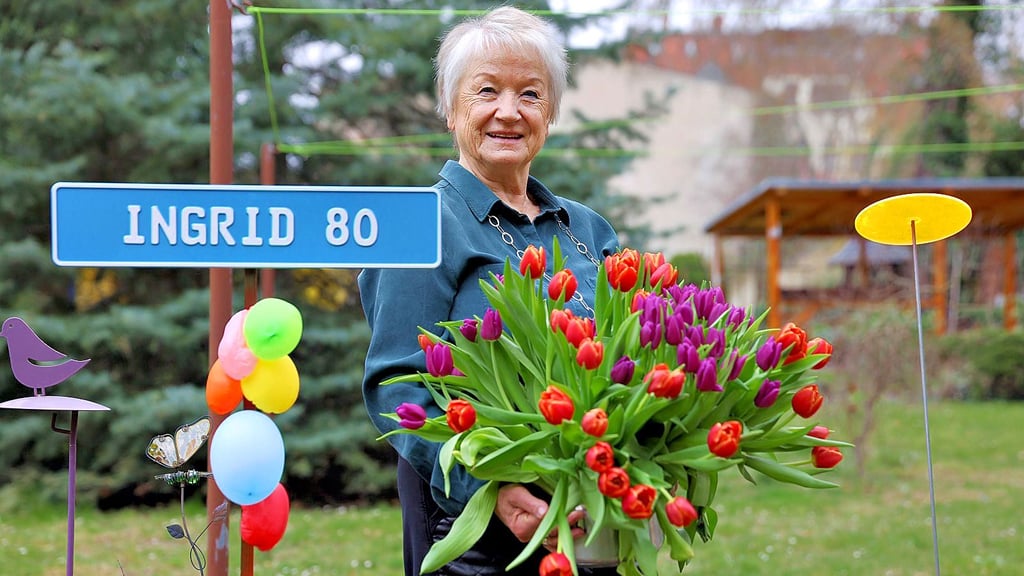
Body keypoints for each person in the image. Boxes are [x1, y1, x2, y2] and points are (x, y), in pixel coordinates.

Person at [359, 7, 620, 575]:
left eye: (530, 93)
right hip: (474, 531)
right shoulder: (423, 223)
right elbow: (394, 387)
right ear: (451, 110)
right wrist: (490, 489)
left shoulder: (588, 229)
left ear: (549, 112)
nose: (509, 111)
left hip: (593, 516)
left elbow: (630, 357)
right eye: (486, 91)